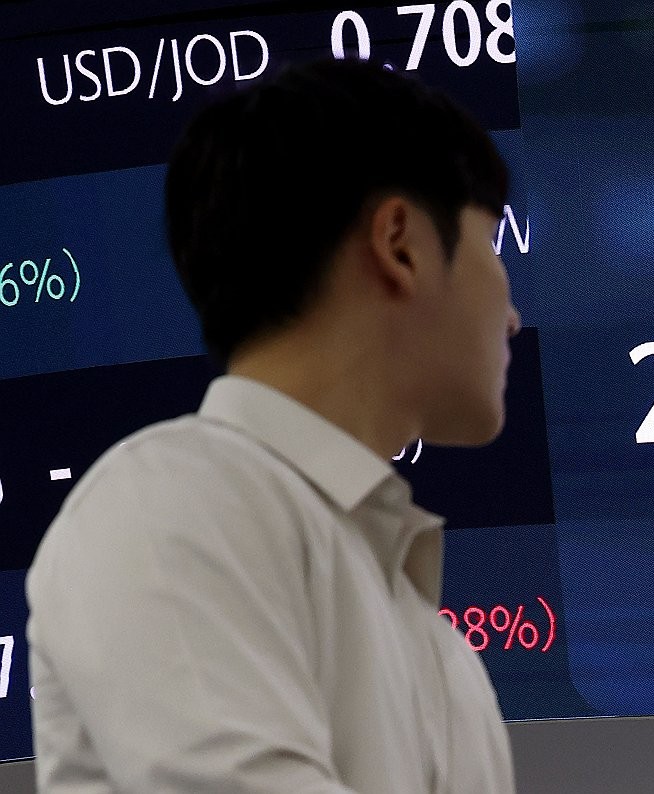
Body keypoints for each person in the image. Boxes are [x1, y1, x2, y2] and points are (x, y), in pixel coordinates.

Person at [25, 59, 521, 793]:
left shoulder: (439, 649)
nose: (512, 316)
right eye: (493, 243)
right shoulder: (170, 504)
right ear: (400, 244)